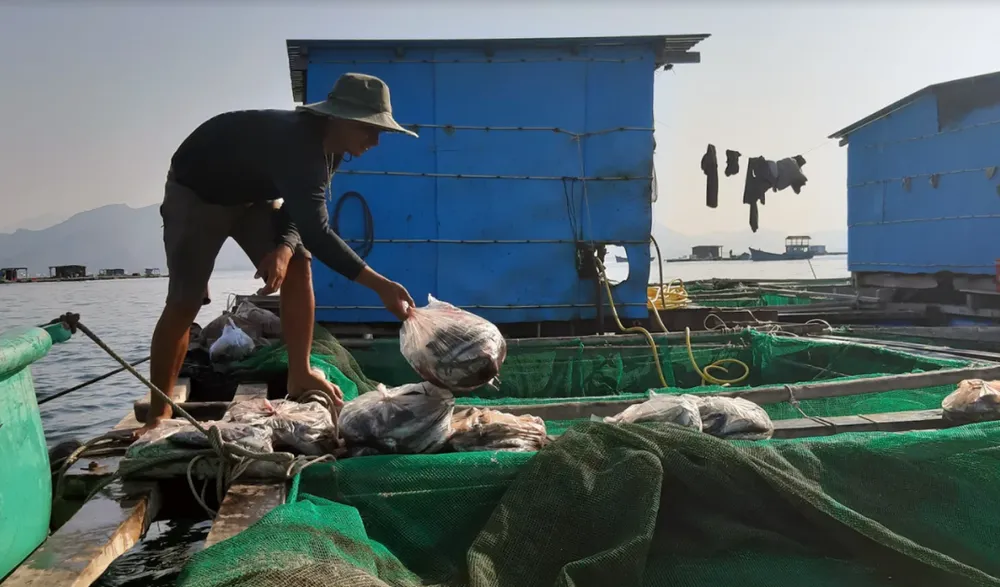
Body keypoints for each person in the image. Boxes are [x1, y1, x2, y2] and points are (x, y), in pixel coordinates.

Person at [139, 72, 417, 437]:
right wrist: (381, 286)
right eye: (369, 130)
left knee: (299, 262)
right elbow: (318, 232)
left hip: (251, 196)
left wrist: (284, 249)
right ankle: (158, 413)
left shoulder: (330, 152)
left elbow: (299, 212)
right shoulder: (296, 143)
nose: (376, 141)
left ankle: (300, 373)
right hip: (197, 194)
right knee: (184, 301)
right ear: (339, 119)